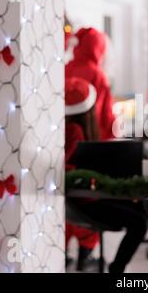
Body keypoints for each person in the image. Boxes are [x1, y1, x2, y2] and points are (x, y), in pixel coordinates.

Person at [64, 76, 100, 271]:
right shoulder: (76, 131)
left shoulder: (68, 127)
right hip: (76, 193)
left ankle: (74, 257)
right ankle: (85, 257)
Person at [66, 27, 116, 140]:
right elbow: (106, 114)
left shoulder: (64, 68)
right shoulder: (98, 75)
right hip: (91, 137)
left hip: (64, 137)